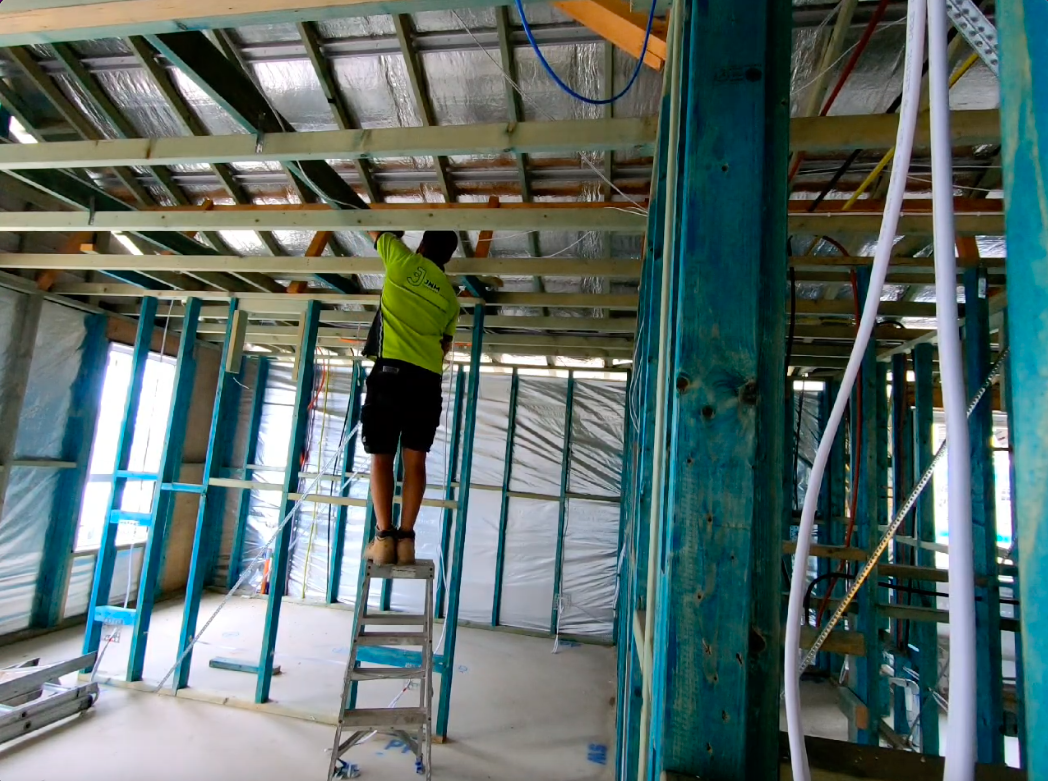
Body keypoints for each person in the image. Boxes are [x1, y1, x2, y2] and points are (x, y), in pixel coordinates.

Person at [360, 229, 460, 566]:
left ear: (421, 245)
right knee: (415, 461)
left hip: (390, 375)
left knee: (382, 456)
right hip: (426, 382)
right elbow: (444, 346)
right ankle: (406, 542)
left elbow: (371, 226)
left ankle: (384, 538)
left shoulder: (401, 262)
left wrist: (393, 233)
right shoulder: (450, 298)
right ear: (447, 258)